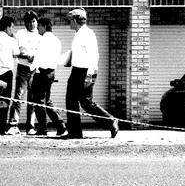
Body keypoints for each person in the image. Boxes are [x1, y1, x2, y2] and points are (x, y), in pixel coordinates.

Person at [62, 8, 119, 139]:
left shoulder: (88, 34)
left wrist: (89, 74)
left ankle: (111, 121)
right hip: (76, 70)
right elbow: (77, 52)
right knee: (71, 101)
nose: (68, 23)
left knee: (86, 102)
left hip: (85, 71)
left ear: (75, 20)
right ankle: (74, 132)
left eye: (70, 20)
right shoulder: (78, 34)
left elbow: (94, 55)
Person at [30, 17, 67, 136]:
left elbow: (38, 58)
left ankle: (42, 128)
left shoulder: (42, 40)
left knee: (39, 101)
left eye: (39, 26)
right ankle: (60, 125)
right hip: (51, 72)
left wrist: (32, 73)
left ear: (45, 26)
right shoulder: (57, 40)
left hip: (41, 72)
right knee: (47, 101)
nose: (38, 29)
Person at [7, 10, 41, 135]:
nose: (31, 24)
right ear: (25, 23)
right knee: (18, 97)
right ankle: (13, 125)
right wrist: (26, 56)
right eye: (29, 22)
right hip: (23, 68)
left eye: (33, 21)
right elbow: (14, 52)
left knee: (32, 99)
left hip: (36, 70)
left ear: (36, 22)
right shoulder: (19, 34)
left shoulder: (40, 35)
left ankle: (30, 126)